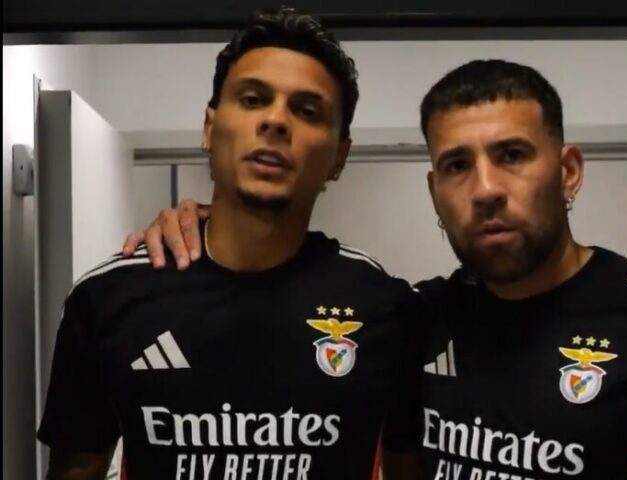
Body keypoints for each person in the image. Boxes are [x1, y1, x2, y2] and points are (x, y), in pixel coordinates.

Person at [126, 59, 627, 479]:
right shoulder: (412, 316)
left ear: (567, 171)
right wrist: (204, 226)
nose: (485, 189)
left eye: (512, 156)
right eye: (456, 166)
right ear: (434, 192)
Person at [38, 8, 423, 480]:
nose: (276, 121)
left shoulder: (386, 306)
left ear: (340, 155)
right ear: (209, 127)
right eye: (253, 99)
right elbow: (77, 468)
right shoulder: (107, 298)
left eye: (307, 110)